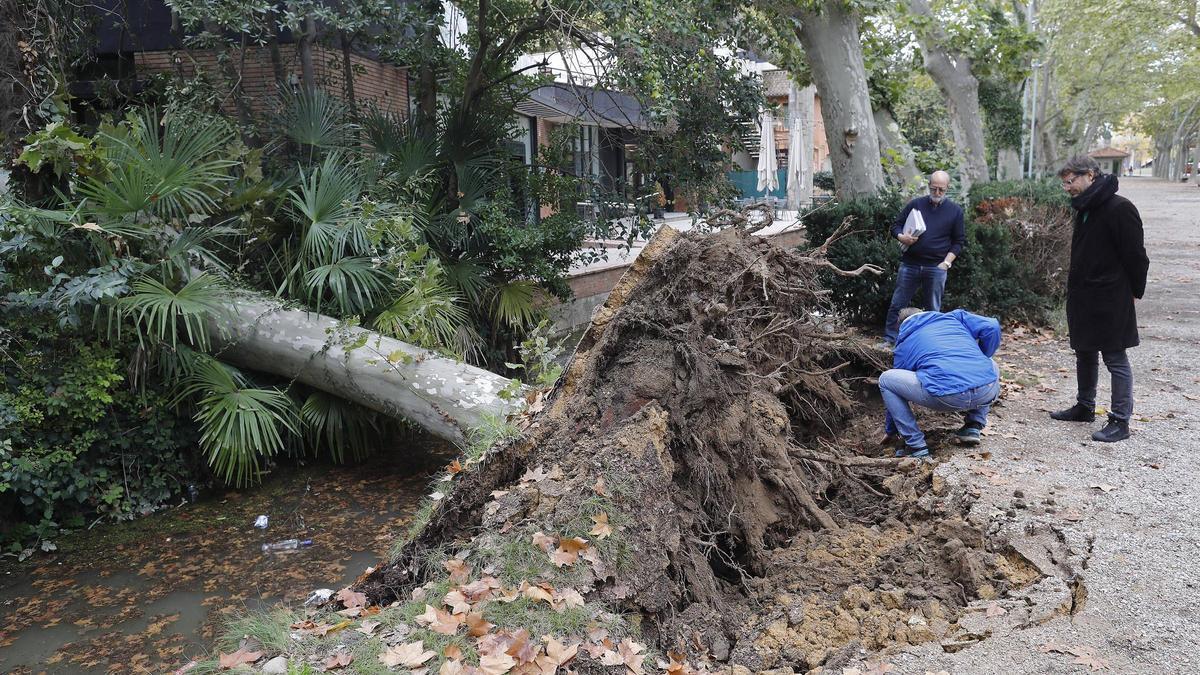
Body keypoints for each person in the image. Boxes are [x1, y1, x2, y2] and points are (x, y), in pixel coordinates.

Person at [1049, 156, 1149, 442]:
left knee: (1115, 357)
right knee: (1084, 351)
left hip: (1110, 296)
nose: (1067, 188)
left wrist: (1133, 292)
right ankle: (1085, 406)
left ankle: (1120, 421)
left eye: (1071, 181)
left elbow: (1136, 256)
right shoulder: (1083, 208)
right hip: (1083, 295)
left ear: (1090, 175)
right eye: (1064, 183)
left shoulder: (1120, 208)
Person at [880, 307, 1001, 458]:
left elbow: (896, 387)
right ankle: (973, 425)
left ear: (902, 327)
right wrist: (983, 355)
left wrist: (891, 430)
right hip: (986, 391)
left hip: (947, 398)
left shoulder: (904, 345)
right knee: (989, 362)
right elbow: (992, 326)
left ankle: (915, 446)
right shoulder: (955, 318)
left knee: (886, 379)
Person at [883, 171, 966, 344]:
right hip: (910, 263)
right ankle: (889, 339)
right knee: (897, 304)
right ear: (928, 186)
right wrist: (901, 237)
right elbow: (896, 226)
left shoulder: (955, 211)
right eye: (933, 188)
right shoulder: (916, 205)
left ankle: (931, 343)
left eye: (941, 190)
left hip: (937, 266)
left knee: (933, 309)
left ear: (947, 188)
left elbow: (958, 241)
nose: (936, 193)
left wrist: (947, 262)